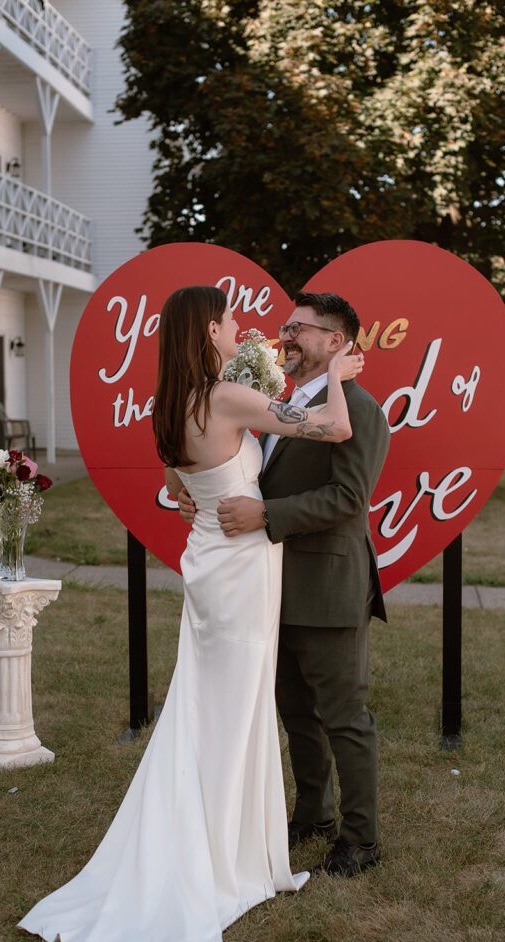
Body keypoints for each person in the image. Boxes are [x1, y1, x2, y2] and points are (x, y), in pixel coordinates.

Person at [18, 285, 364, 942]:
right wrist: (337, 375)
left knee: (209, 704)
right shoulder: (228, 398)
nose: (241, 328)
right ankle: (221, 854)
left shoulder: (170, 406)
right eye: (231, 321)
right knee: (232, 711)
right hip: (240, 570)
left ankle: (220, 838)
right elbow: (335, 430)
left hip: (209, 560)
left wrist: (198, 496)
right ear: (209, 331)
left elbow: (183, 490)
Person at [179, 291, 390, 879]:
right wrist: (205, 500)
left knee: (344, 716)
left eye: (301, 328)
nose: (286, 336)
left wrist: (266, 515)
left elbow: (348, 498)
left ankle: (361, 840)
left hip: (328, 588)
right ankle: (313, 815)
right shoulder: (279, 403)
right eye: (287, 326)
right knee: (296, 713)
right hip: (267, 587)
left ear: (336, 342)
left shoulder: (360, 408)